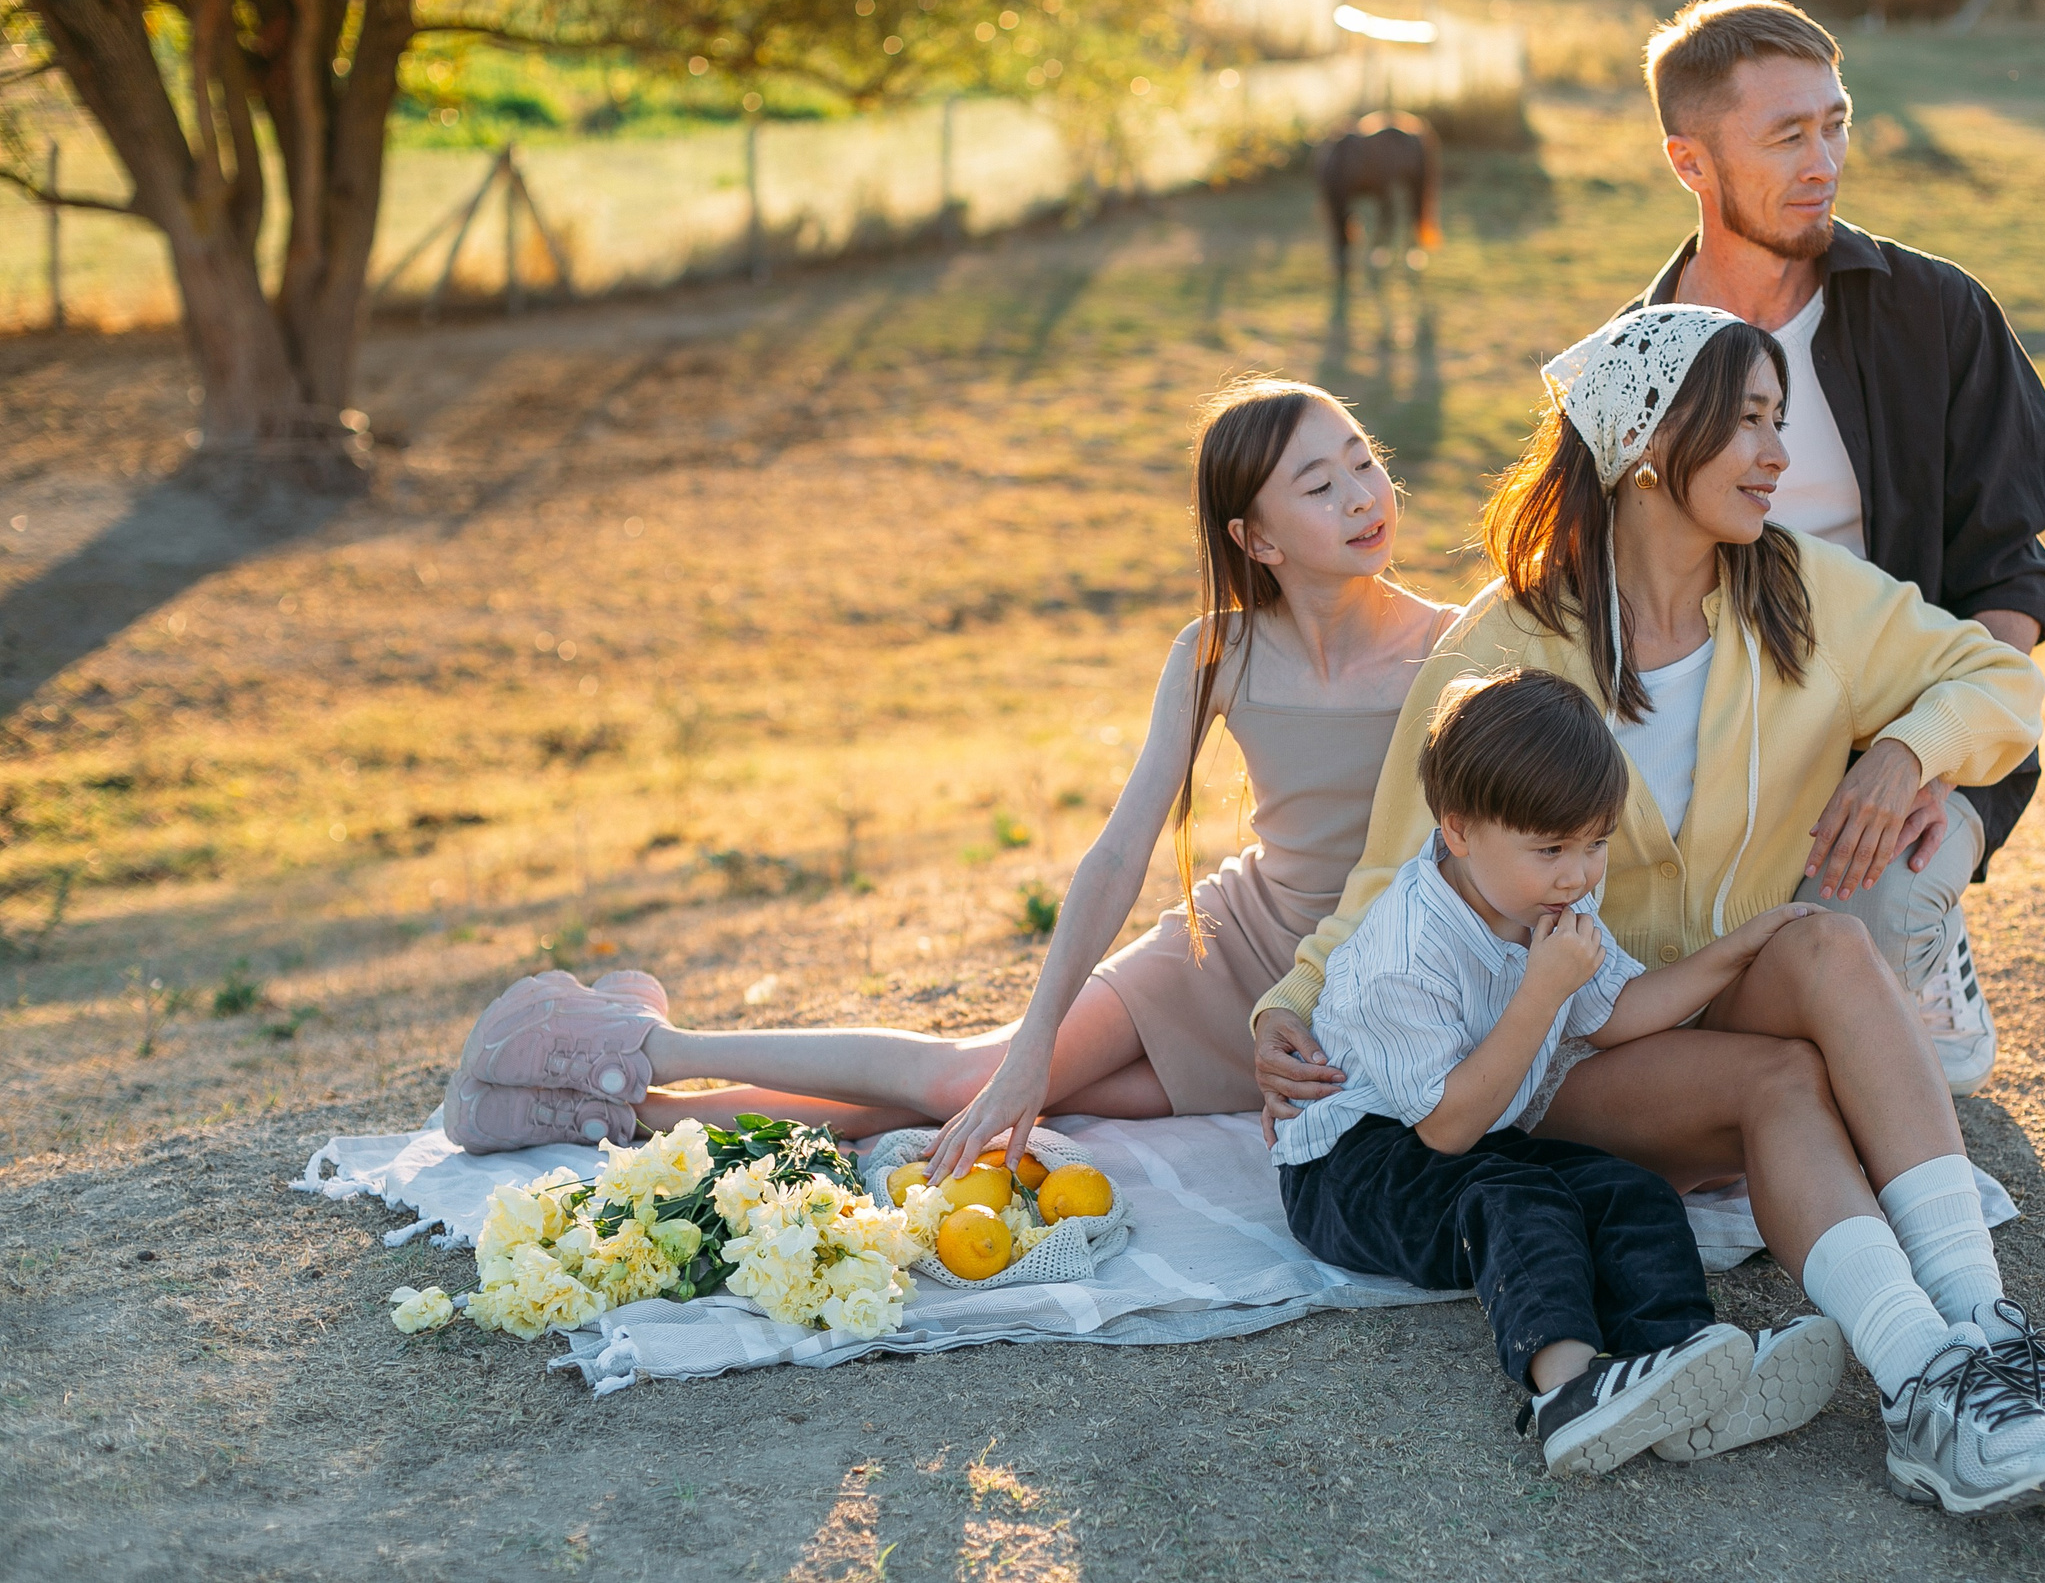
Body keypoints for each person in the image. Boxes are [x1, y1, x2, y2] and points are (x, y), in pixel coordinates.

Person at [1258, 304, 2045, 1512]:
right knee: (1778, 1081)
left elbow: (1996, 678)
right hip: (1570, 1030)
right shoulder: (1503, 645)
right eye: (1746, 424)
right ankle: (1925, 1385)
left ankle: (1987, 1337)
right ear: (1646, 441)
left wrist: (1906, 754)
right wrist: (1288, 1002)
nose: (1777, 454)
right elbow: (1394, 868)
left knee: (1825, 943)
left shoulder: (1804, 592)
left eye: (1781, 421)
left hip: (1715, 980)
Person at [441, 376, 1455, 1177]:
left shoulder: (1454, 651)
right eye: (1320, 486)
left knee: (1023, 1091)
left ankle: (629, 1108)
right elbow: (1118, 853)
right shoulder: (1218, 649)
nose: (1363, 496)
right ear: (1257, 538)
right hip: (1233, 946)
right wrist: (1036, 1035)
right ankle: (639, 1046)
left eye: (1362, 462)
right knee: (990, 1070)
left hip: (1346, 985)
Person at [1622, 0, 2045, 1096]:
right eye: (1785, 136)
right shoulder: (1639, 359)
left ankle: (1919, 924)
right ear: (1691, 160)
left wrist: (1929, 753)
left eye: (1835, 123)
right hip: (1714, 740)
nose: (1822, 160)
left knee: (1900, 1044)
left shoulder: (1938, 315)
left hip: (1903, 725)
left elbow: (2009, 567)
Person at [1274, 667, 1837, 1478]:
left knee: (1627, 1187)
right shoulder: (1402, 956)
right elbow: (1449, 1128)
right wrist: (1542, 989)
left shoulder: (1545, 900)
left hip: (1470, 1130)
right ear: (1459, 829)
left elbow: (1613, 1010)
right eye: (1551, 849)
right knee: (1519, 1198)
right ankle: (1567, 1390)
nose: (1579, 873)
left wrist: (1743, 948)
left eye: (1595, 844)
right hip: (1358, 1161)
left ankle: (1683, 1366)